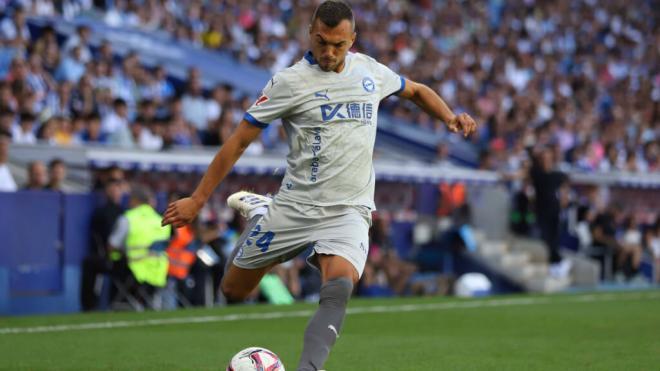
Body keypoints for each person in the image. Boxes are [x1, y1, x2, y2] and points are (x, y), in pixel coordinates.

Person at [161, 1, 476, 370]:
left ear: (352, 41)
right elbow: (238, 141)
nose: (328, 52)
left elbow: (417, 90)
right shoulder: (289, 82)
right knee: (233, 290)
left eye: (338, 45)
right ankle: (263, 214)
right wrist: (198, 199)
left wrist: (449, 117)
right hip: (294, 207)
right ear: (310, 34)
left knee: (338, 289)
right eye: (321, 41)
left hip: (348, 210)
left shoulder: (369, 71)